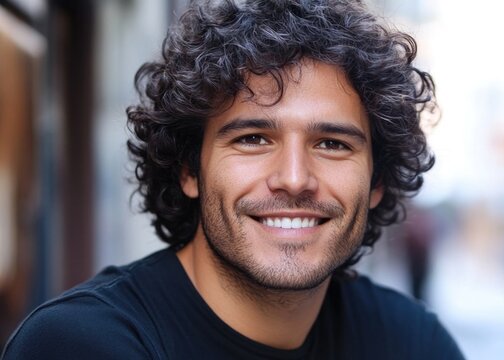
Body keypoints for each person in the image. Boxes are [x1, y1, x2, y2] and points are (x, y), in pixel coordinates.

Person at [2, 0, 463, 358]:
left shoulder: (413, 343)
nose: (294, 178)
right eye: (253, 139)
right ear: (189, 169)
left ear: (376, 181)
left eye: (332, 144)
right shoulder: (82, 346)